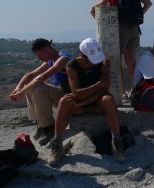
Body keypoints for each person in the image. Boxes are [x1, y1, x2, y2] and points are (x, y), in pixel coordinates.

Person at [47, 38, 125, 166]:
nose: (95, 61)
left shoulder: (104, 62)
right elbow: (77, 92)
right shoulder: (72, 66)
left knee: (109, 100)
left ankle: (116, 140)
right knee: (64, 101)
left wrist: (83, 101)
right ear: (82, 55)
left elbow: (104, 90)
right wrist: (98, 84)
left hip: (95, 103)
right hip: (80, 103)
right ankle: (57, 144)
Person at [90, 0, 152, 97]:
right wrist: (138, 16)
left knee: (116, 60)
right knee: (131, 60)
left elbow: (103, 2)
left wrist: (92, 8)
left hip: (120, 26)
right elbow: (148, 3)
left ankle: (122, 92)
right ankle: (136, 91)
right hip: (134, 27)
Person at [9, 38, 72, 146]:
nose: (38, 58)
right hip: (60, 94)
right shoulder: (52, 59)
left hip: (69, 96)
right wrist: (18, 89)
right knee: (29, 86)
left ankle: (49, 126)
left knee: (38, 88)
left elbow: (41, 77)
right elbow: (30, 75)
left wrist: (22, 93)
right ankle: (41, 124)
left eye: (39, 54)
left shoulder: (63, 59)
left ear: (47, 49)